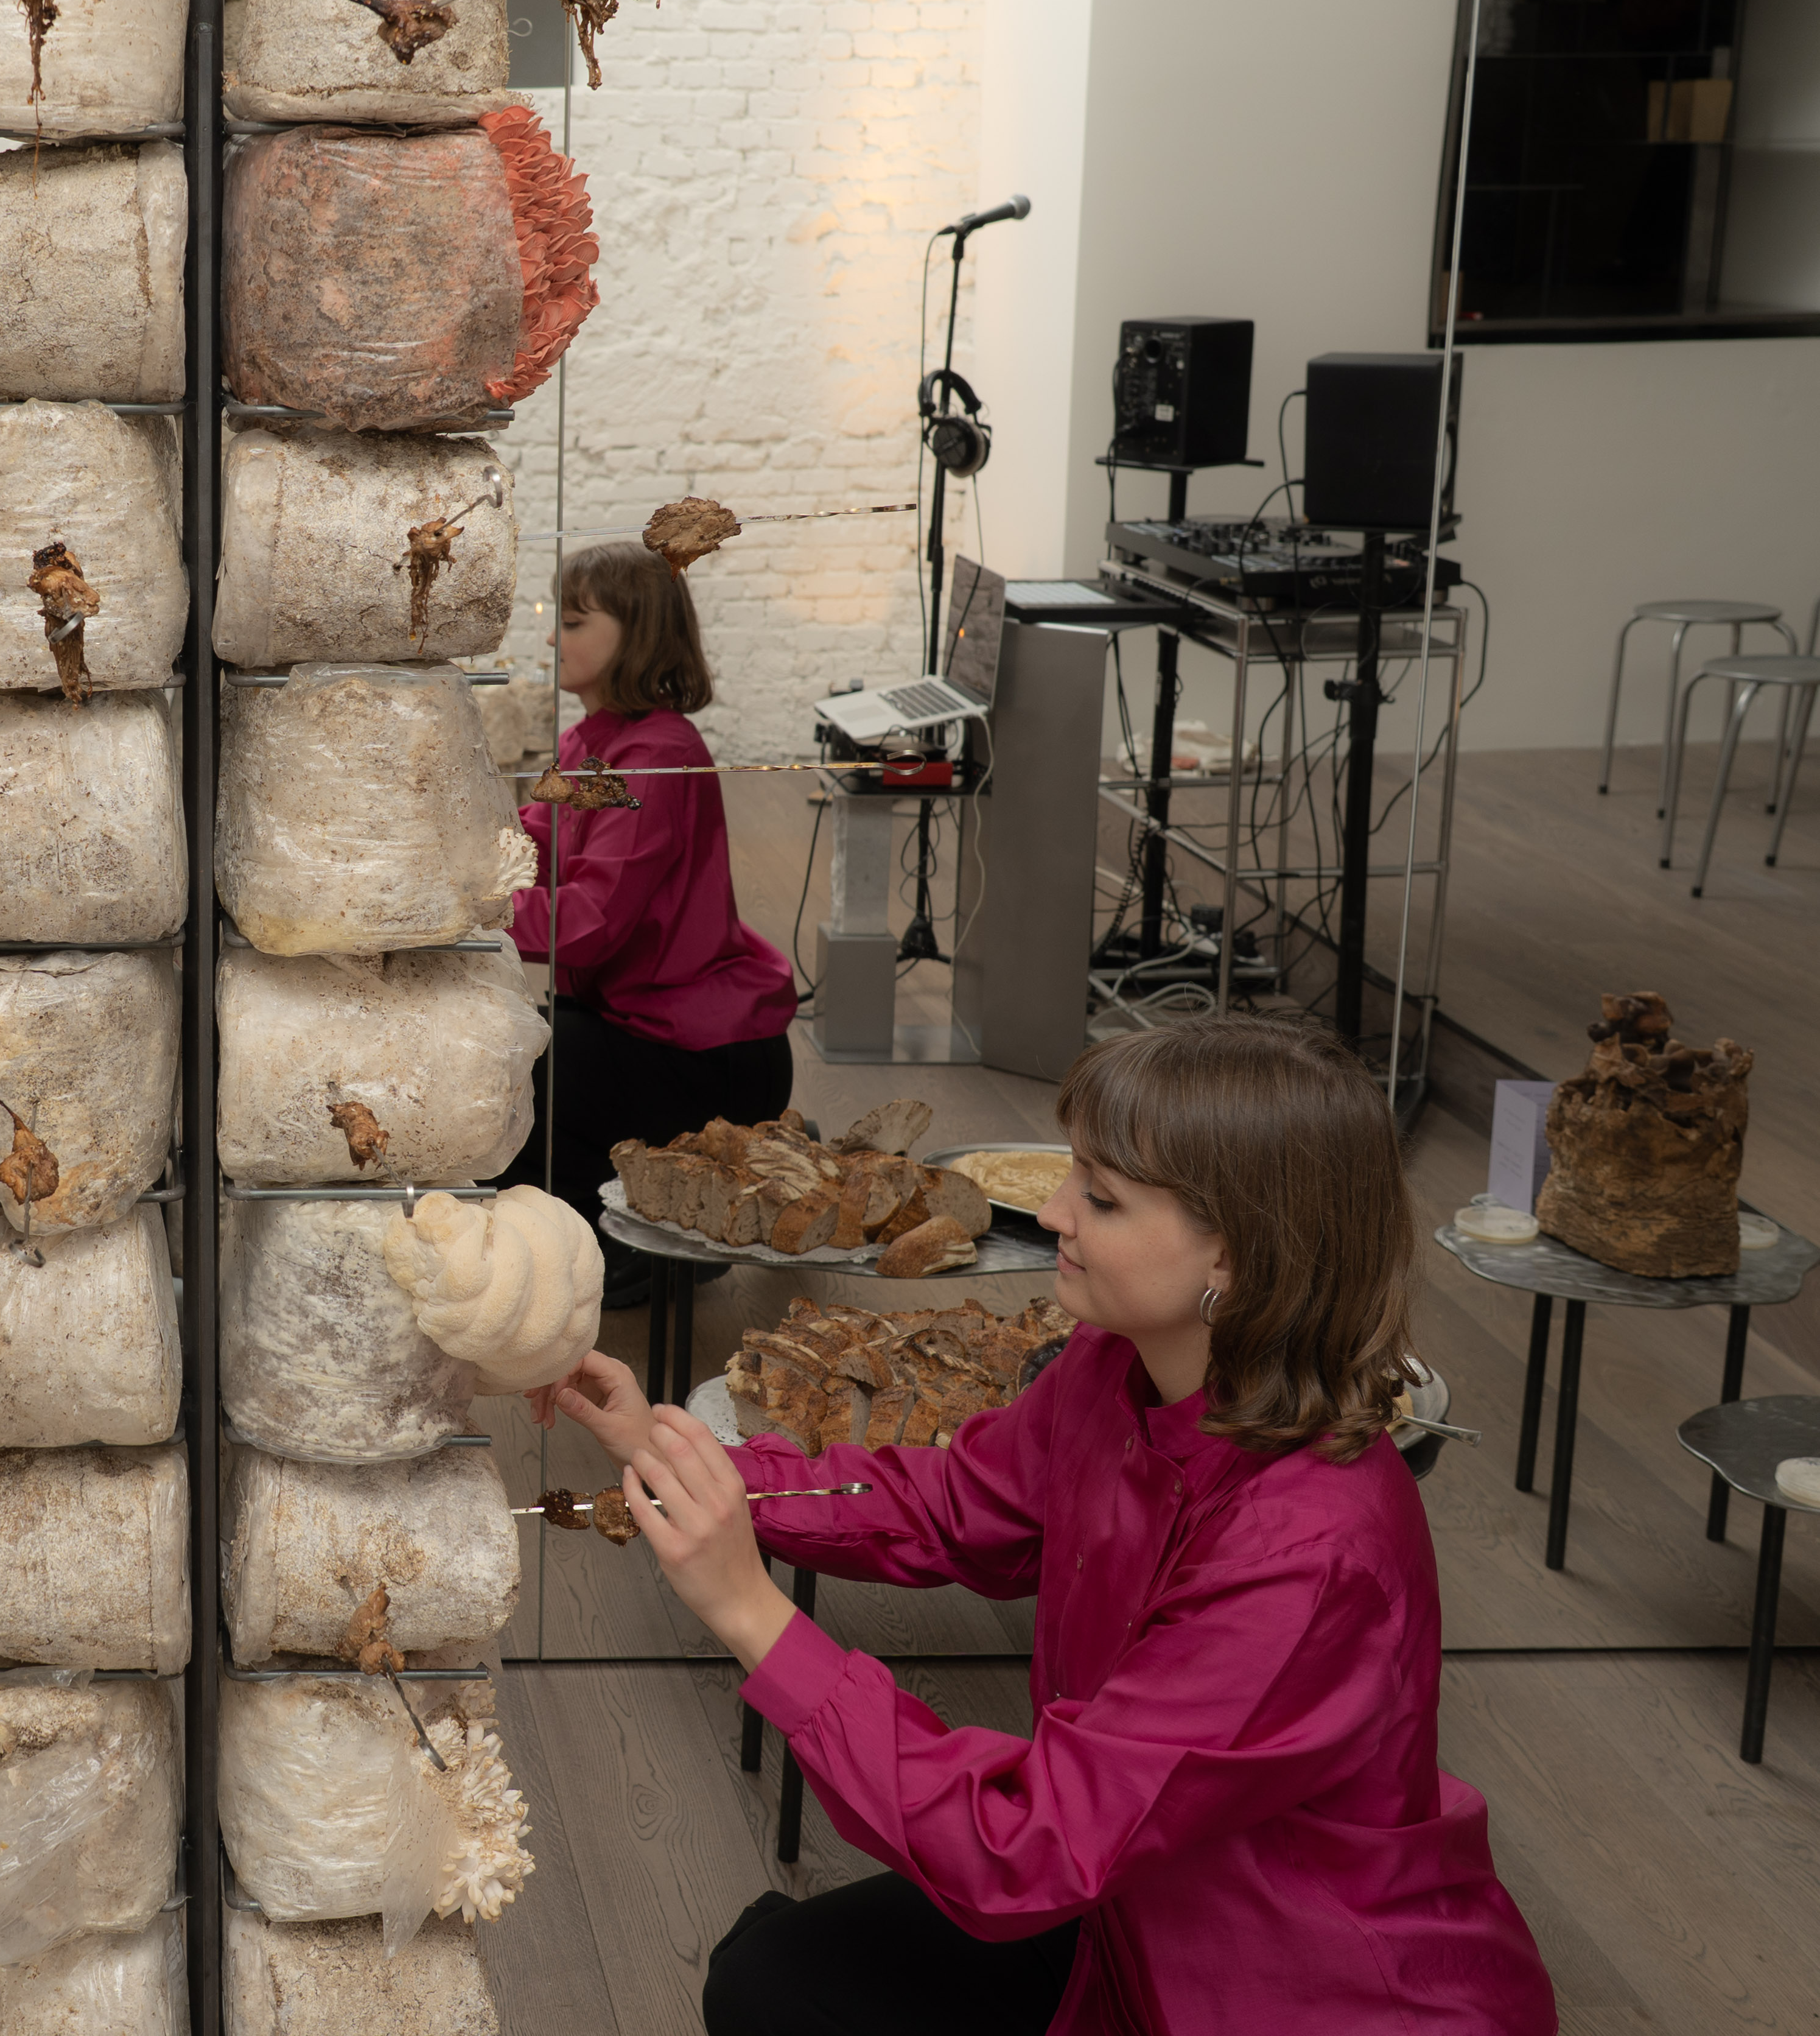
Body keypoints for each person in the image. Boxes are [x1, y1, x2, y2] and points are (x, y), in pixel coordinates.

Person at [536, 1016, 1555, 2035]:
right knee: (769, 1977)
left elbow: (1021, 1845)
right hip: (1131, 1902)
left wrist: (750, 1613)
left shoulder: (1309, 1552)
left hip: (1289, 1989)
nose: (1055, 1212)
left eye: (1101, 1198)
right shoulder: (1114, 1367)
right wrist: (691, 1464)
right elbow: (953, 1501)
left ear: (1239, 1256)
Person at [514, 543, 800, 1303]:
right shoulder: (594, 741)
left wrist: (465, 906)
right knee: (518, 1050)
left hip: (700, 1055)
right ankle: (665, 1212)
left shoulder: (653, 758)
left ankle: (668, 1237)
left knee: (513, 1072)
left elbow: (587, 923)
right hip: (646, 1026)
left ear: (636, 633)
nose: (552, 637)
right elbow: (533, 845)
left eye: (573, 622)